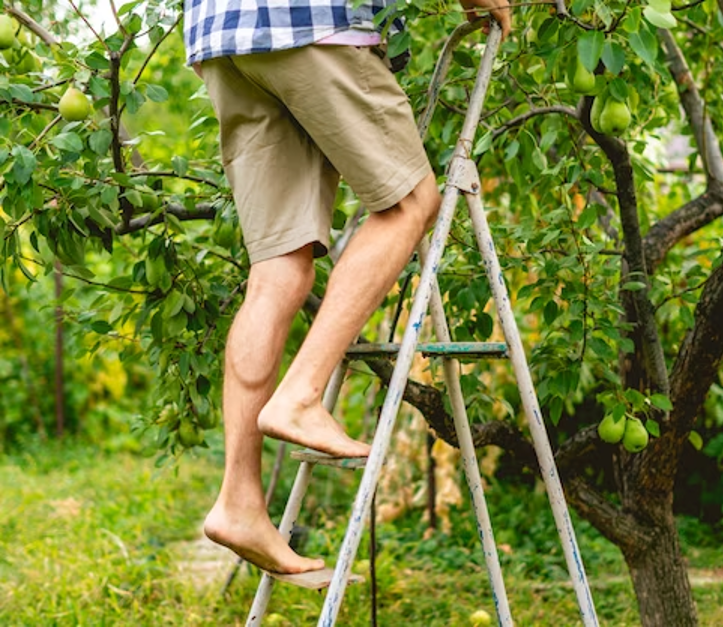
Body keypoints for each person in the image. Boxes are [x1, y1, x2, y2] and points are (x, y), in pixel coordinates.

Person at [181, 0, 511, 578]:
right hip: (312, 19)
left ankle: (239, 499)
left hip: (222, 35)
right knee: (411, 203)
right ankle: (302, 394)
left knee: (279, 264)